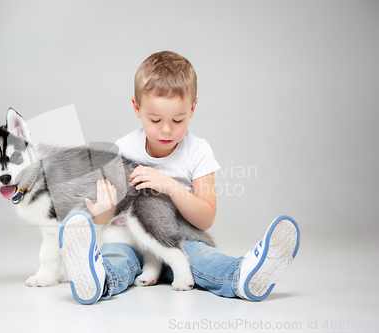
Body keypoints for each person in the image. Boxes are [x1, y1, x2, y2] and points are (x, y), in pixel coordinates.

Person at [58, 51, 300, 305]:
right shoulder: (123, 149)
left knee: (204, 258)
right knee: (116, 254)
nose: (165, 129)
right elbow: (105, 218)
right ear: (136, 107)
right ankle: (99, 279)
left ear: (193, 108)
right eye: (154, 119)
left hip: (180, 240)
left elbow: (205, 218)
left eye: (177, 119)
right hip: (130, 239)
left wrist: (171, 186)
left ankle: (244, 275)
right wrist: (102, 211)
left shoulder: (198, 151)